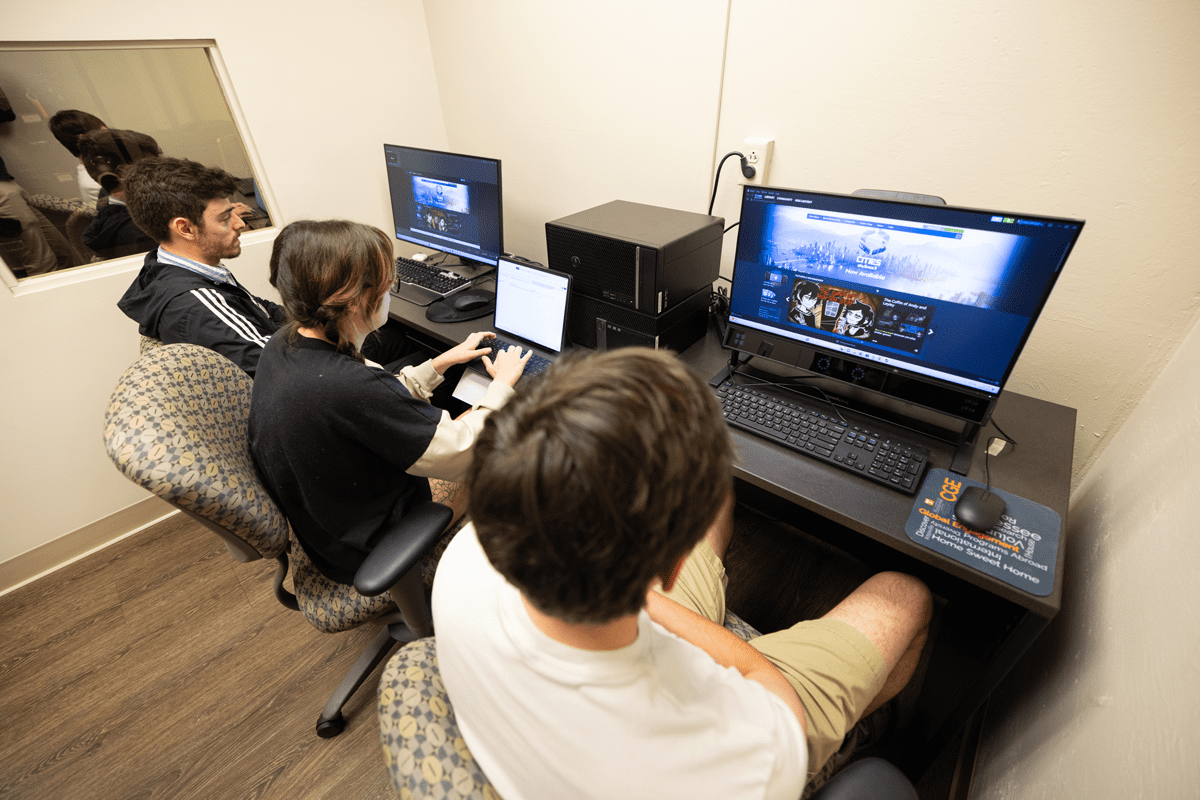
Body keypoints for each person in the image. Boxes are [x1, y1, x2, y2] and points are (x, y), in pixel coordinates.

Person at [433, 348, 933, 799]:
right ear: (669, 568)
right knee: (905, 594)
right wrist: (718, 651)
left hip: (572, 688)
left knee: (717, 503)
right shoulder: (748, 764)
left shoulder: (467, 554)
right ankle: (849, 736)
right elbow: (768, 685)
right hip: (747, 724)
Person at [248, 219, 530, 585]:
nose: (389, 294)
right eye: (386, 286)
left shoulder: (287, 342)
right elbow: (462, 452)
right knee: (507, 450)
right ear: (350, 301)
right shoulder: (344, 385)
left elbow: (373, 399)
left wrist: (440, 363)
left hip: (328, 517)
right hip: (375, 543)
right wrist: (502, 387)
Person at [77, 128, 161, 259]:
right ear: (114, 174)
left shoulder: (107, 211)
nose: (161, 170)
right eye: (151, 165)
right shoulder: (143, 232)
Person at [48, 109, 108, 207]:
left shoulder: (98, 167)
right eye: (105, 134)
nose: (113, 138)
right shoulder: (98, 182)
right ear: (83, 138)